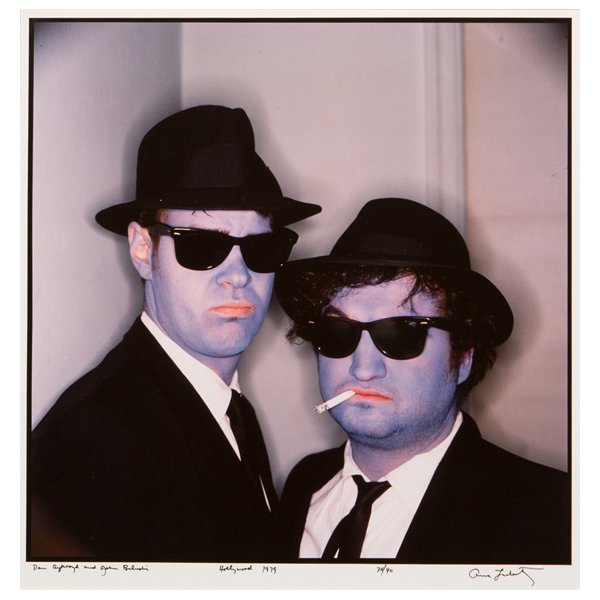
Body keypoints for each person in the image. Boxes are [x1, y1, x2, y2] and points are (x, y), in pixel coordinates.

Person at [29, 105, 321, 562]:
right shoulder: (101, 440)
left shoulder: (230, 410)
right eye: (202, 245)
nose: (238, 275)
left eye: (262, 247)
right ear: (143, 250)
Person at [274, 197, 571, 564]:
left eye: (402, 333)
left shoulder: (553, 516)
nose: (363, 368)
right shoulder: (304, 485)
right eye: (337, 331)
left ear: (463, 357)